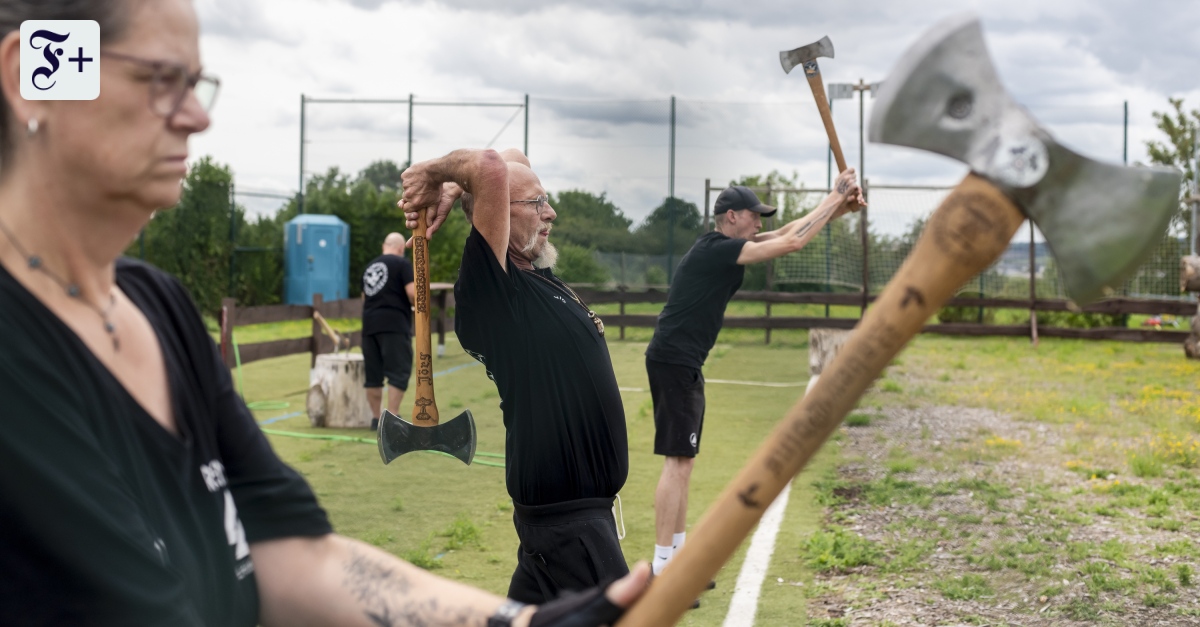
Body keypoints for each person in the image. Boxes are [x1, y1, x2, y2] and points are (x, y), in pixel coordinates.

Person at [0, 1, 646, 625]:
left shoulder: (160, 309)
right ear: (35, 78)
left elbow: (293, 557)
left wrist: (520, 620)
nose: (197, 117)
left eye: (197, 83)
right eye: (161, 79)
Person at [400, 148, 634, 605]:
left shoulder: (530, 274)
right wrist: (436, 173)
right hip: (568, 525)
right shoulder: (493, 291)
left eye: (546, 199)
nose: (551, 212)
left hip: (574, 519)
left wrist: (454, 185)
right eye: (536, 204)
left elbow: (506, 161)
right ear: (500, 215)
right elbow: (489, 166)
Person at [645, 173, 865, 578]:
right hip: (673, 360)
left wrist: (835, 207)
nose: (760, 224)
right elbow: (793, 243)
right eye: (754, 216)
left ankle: (678, 559)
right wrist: (835, 197)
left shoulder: (725, 245)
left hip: (681, 361)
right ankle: (662, 568)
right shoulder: (717, 250)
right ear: (731, 217)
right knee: (677, 462)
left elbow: (786, 231)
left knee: (684, 460)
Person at [361, 232, 416, 430]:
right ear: (401, 248)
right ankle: (392, 419)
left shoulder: (369, 267)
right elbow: (412, 294)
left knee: (373, 375)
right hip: (394, 324)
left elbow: (364, 298)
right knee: (398, 371)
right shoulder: (402, 264)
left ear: (384, 245)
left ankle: (376, 420)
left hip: (369, 325)